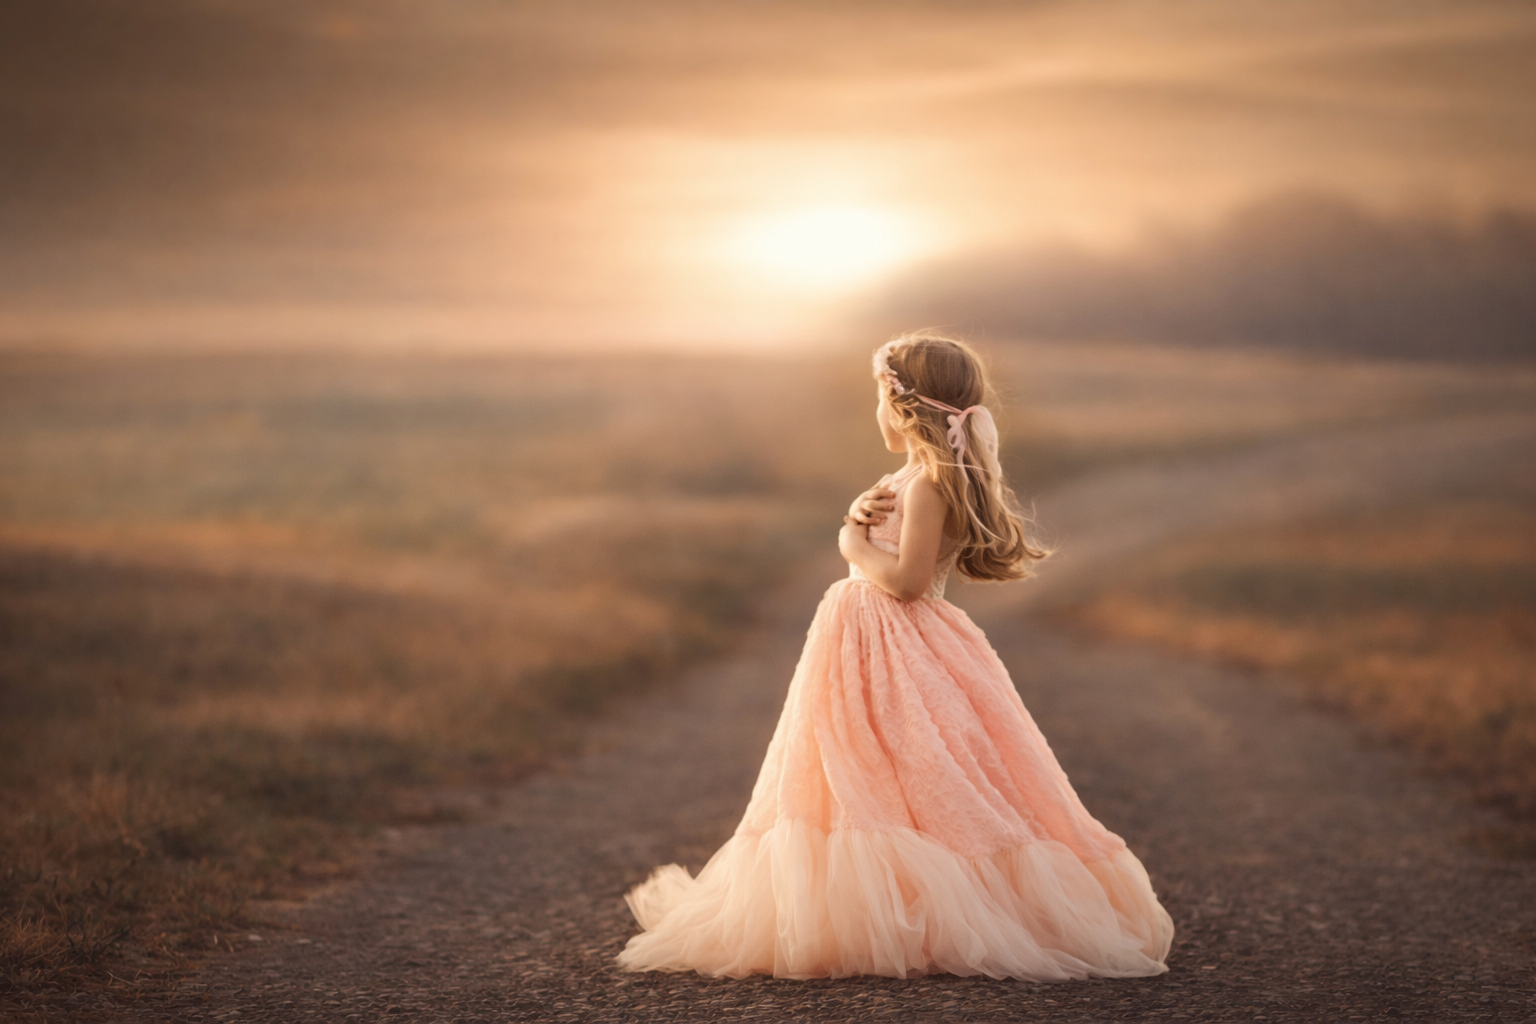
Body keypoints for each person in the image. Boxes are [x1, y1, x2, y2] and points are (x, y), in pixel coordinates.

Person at [617, 333, 1174, 980]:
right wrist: (858, 518)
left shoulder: (932, 484)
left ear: (900, 403)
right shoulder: (914, 479)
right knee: (863, 773)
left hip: (895, 639)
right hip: (866, 642)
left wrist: (850, 544)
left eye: (878, 397)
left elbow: (907, 581)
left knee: (920, 775)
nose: (875, 411)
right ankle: (891, 902)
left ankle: (934, 910)